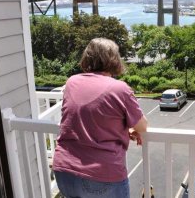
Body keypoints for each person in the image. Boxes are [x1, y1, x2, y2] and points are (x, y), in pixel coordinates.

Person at [53, 38, 148, 198]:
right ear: (114, 59)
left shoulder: (71, 82)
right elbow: (143, 127)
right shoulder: (120, 88)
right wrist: (129, 128)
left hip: (65, 171)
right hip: (101, 175)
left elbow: (83, 117)